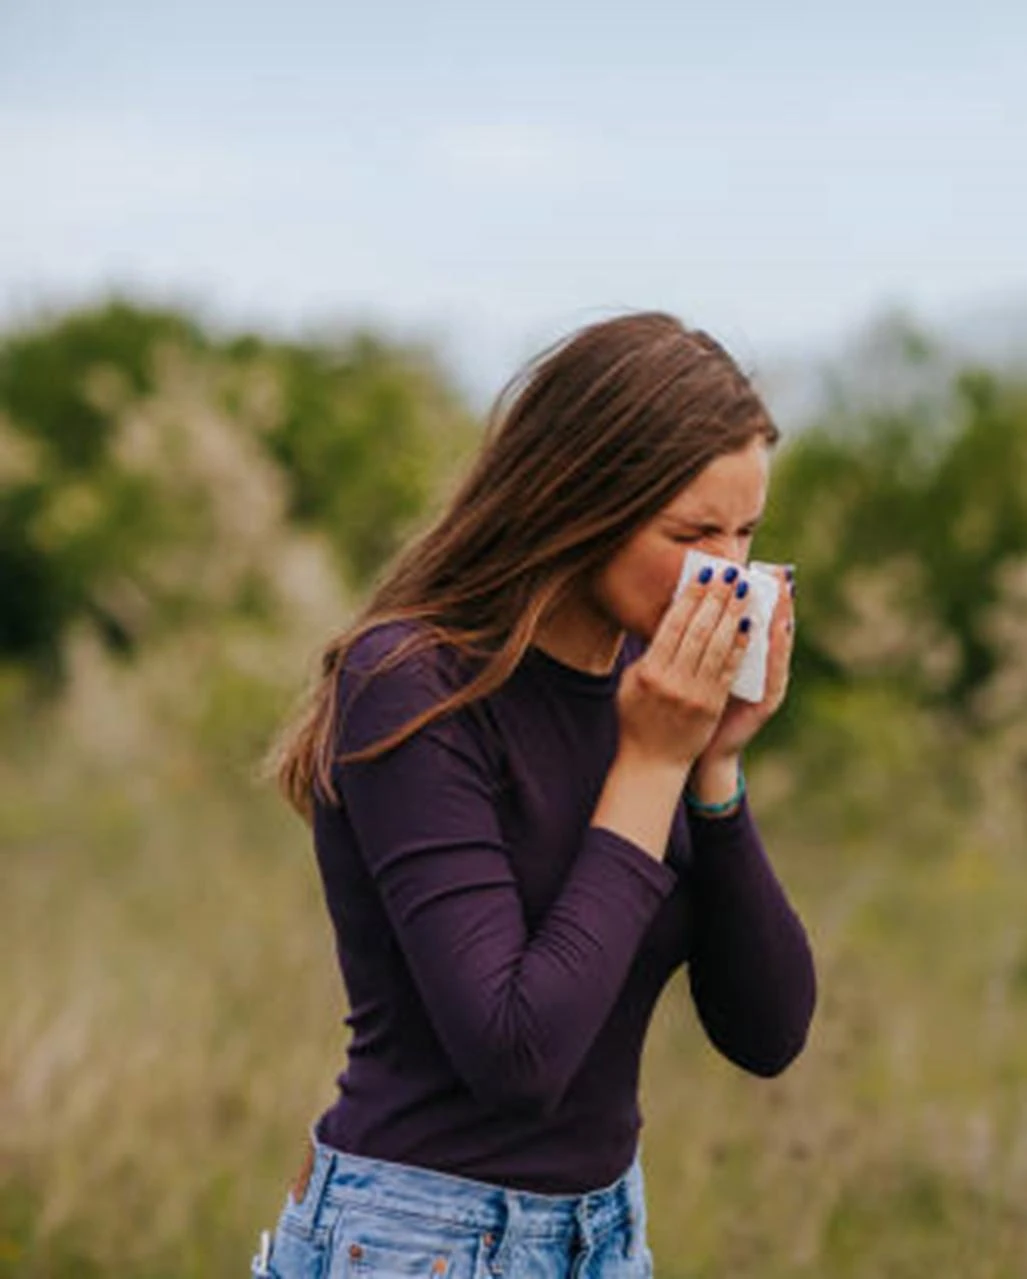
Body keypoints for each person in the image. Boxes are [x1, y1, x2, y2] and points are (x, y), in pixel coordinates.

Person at [253, 312, 817, 1278]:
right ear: (582, 504)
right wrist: (649, 764)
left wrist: (714, 768)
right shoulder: (414, 682)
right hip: (415, 1238)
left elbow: (769, 1033)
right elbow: (518, 1055)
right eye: (691, 533)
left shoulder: (657, 694)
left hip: (604, 1234)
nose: (729, 575)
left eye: (746, 532)